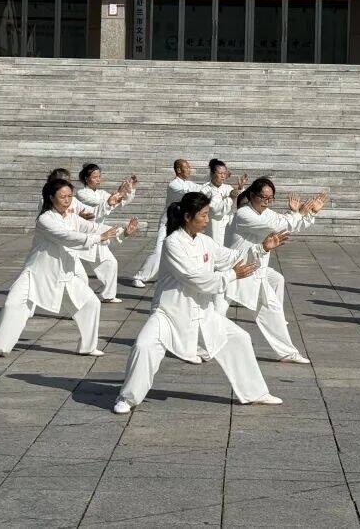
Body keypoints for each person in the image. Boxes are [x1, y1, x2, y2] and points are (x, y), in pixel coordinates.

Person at [113, 192, 289, 414]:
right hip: (169, 314)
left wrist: (262, 248)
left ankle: (256, 393)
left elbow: (232, 257)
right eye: (204, 215)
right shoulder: (172, 243)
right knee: (144, 345)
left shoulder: (205, 242)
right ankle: (127, 398)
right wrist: (230, 276)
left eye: (208, 214)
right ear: (188, 216)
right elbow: (194, 278)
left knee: (240, 339)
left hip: (203, 314)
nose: (207, 220)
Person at [0, 178, 139, 359]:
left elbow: (94, 227)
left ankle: (88, 347)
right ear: (51, 198)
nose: (67, 200)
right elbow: (66, 236)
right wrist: (98, 238)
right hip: (37, 273)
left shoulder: (72, 217)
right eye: (62, 196)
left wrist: (122, 231)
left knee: (91, 304)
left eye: (69, 196)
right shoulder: (44, 219)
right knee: (13, 304)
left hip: (66, 273)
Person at [221, 178, 328, 364]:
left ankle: (287, 352)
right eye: (263, 197)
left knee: (274, 308)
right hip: (233, 272)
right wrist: (298, 213)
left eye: (270, 198)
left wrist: (310, 213)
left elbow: (289, 226)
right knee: (214, 312)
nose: (267, 201)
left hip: (255, 271)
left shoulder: (267, 213)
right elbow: (275, 226)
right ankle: (200, 347)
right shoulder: (244, 214)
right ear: (252, 195)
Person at [131, 159, 210, 287]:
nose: (189, 170)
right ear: (178, 170)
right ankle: (139, 277)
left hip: (182, 224)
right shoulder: (174, 185)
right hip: (168, 223)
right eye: (186, 168)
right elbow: (191, 193)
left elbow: (201, 189)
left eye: (189, 167)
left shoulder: (189, 183)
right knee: (159, 250)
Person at [75, 164, 136, 303]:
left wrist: (128, 190)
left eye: (99, 176)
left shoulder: (102, 193)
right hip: (83, 234)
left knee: (111, 262)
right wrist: (116, 195)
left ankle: (107, 295)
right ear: (86, 178)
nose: (98, 179)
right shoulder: (81, 193)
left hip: (99, 234)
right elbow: (99, 204)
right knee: (75, 272)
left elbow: (119, 202)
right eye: (94, 177)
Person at [204, 158, 247, 244]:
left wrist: (240, 188)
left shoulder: (227, 187)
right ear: (212, 174)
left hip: (229, 225)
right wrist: (230, 198)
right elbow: (216, 210)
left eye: (224, 173)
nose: (223, 176)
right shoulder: (205, 190)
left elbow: (242, 201)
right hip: (215, 227)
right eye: (220, 173)